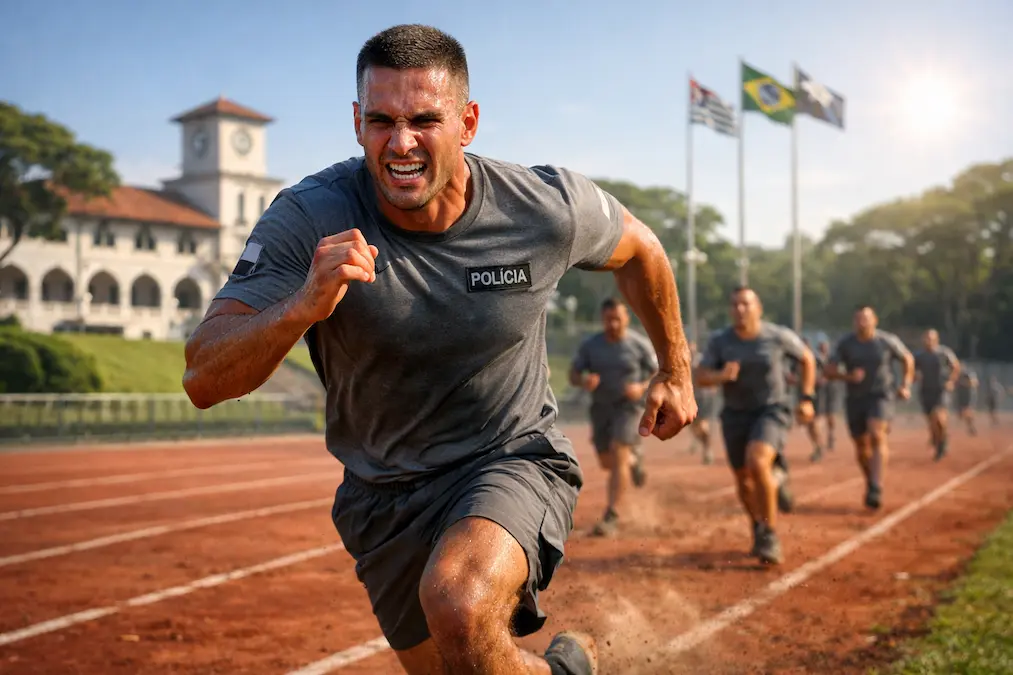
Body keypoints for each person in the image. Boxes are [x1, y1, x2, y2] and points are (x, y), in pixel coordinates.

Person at [182, 24, 697, 675]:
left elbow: (641, 249)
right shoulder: (309, 218)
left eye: (424, 119)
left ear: (468, 121)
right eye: (380, 121)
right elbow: (204, 375)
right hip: (380, 492)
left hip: (509, 455)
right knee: (464, 663)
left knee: (458, 603)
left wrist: (675, 370)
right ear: (356, 122)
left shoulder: (541, 208)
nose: (400, 143)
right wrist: (302, 304)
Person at [696, 287, 816, 565]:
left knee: (757, 461)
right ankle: (760, 526)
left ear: (758, 308)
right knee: (743, 480)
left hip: (772, 409)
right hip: (735, 414)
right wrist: (720, 375)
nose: (740, 309)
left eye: (746, 304)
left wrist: (807, 398)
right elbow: (701, 376)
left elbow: (807, 359)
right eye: (735, 304)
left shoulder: (777, 336)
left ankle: (770, 535)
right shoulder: (720, 341)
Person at [570, 297, 658, 536]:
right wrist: (583, 381)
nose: (614, 324)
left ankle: (612, 515)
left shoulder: (638, 345)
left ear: (627, 319)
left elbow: (657, 373)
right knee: (607, 461)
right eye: (609, 319)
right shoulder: (591, 346)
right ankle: (633, 460)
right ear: (602, 319)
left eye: (618, 319)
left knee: (618, 449)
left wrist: (641, 387)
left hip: (629, 407)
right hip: (601, 408)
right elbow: (574, 374)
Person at [825, 306, 914, 511]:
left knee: (877, 434)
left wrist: (905, 385)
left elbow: (907, 359)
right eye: (858, 319)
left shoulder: (886, 341)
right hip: (855, 398)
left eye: (866, 318)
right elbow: (829, 371)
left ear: (875, 320)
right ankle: (871, 481)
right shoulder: (845, 343)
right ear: (853, 322)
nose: (862, 322)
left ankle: (876, 486)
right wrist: (847, 377)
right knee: (861, 447)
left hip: (880, 395)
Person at [912, 329, 960, 461]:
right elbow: (911, 369)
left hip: (941, 390)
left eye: (931, 339)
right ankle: (938, 440)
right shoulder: (919, 355)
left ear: (937, 340)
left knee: (939, 418)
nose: (928, 341)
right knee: (932, 422)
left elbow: (956, 366)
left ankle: (941, 445)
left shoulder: (944, 353)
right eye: (926, 338)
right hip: (926, 391)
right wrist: (913, 377)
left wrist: (950, 381)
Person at [688, 340, 717, 465]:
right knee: (693, 427)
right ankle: (705, 445)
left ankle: (708, 451)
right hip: (689, 398)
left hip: (703, 397)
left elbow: (711, 373)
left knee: (702, 425)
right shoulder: (679, 360)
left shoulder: (701, 360)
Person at [954, 369, 979, 436]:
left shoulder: (969, 375)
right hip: (962, 397)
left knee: (967, 412)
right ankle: (971, 428)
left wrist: (962, 383)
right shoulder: (959, 376)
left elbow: (974, 383)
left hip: (968, 397)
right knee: (962, 414)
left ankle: (971, 428)